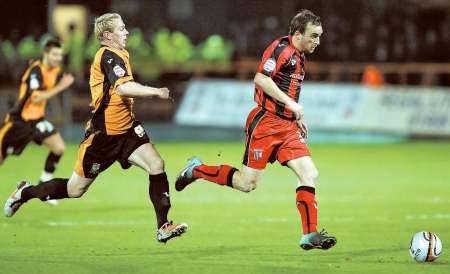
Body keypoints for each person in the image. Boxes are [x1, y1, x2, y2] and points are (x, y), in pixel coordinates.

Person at [4, 13, 187, 243]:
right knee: (74, 190)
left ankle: (163, 226)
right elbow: (122, 89)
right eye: (121, 29)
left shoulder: (121, 53)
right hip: (103, 137)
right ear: (108, 35)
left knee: (156, 164)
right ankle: (25, 192)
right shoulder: (108, 56)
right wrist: (156, 91)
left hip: (127, 131)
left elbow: (108, 89)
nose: (127, 32)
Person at [175, 10, 336, 250]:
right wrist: (291, 104)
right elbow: (261, 79)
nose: (317, 42)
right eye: (313, 36)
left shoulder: (300, 54)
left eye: (319, 36)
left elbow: (287, 88)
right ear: (298, 33)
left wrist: (294, 115)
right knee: (246, 184)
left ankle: (309, 234)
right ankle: (196, 170)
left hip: (288, 126)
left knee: (309, 174)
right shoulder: (281, 49)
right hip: (266, 124)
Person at [0, 38, 73, 202]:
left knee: (59, 147)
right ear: (45, 53)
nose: (58, 58)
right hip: (19, 122)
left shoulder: (55, 70)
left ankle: (44, 183)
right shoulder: (36, 71)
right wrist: (61, 87)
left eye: (60, 55)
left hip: (36, 121)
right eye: (54, 54)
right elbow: (36, 97)